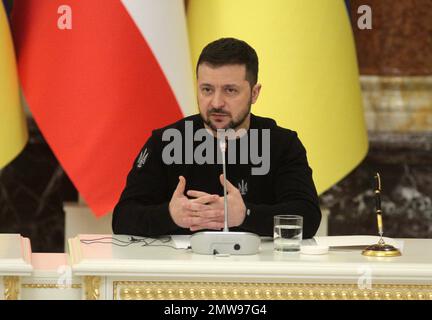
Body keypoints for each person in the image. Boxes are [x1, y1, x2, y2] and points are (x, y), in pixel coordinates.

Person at [112, 37, 321, 238]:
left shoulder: (282, 144)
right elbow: (122, 218)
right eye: (207, 90)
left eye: (230, 90)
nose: (216, 102)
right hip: (181, 271)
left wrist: (245, 214)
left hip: (256, 271)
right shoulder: (165, 141)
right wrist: (169, 215)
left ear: (254, 93)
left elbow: (308, 217)